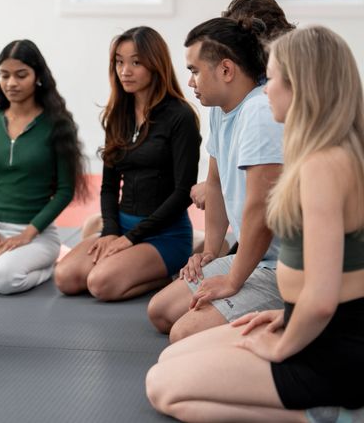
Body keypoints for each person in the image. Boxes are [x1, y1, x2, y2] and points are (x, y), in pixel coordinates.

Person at [147, 25, 364, 421]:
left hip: (329, 355)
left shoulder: (323, 167)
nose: (266, 90)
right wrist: (286, 316)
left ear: (303, 87)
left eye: (275, 78)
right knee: (171, 359)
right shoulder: (328, 155)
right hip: (315, 329)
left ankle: (323, 416)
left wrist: (281, 345)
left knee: (163, 387)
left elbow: (323, 296)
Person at [147, 17, 284, 342]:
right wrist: (210, 254)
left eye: (195, 70)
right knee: (161, 312)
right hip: (252, 256)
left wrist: (233, 281)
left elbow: (259, 213)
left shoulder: (259, 113)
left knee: (183, 334)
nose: (191, 82)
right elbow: (217, 186)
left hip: (280, 266)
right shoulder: (221, 110)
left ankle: (285, 322)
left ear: (225, 70)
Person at [55, 27, 200, 301]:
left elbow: (183, 193)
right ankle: (125, 263)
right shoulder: (118, 116)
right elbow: (109, 187)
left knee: (100, 284)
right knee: (65, 278)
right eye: (119, 62)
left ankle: (166, 272)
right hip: (121, 228)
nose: (125, 70)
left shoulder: (180, 116)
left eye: (135, 62)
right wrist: (111, 232)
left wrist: (130, 239)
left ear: (156, 65)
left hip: (164, 234)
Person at [0, 40, 88, 295]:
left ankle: (49, 265)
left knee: (2, 279)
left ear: (38, 77)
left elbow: (64, 191)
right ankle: (4, 253)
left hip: (37, 233)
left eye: (21, 75)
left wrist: (28, 234)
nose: (11, 83)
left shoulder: (58, 124)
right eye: (4, 75)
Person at [190, 0, 297, 216]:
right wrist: (211, 251)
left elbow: (260, 204)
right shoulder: (225, 100)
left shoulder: (262, 105)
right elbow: (216, 180)